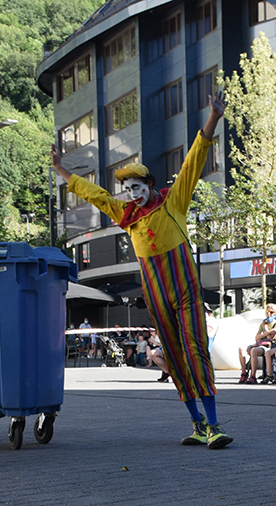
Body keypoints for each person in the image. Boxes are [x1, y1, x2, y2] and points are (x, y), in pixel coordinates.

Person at [53, 92, 231, 448]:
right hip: (156, 294)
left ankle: (214, 424)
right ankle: (197, 425)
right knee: (175, 355)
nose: (132, 193)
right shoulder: (127, 216)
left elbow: (196, 158)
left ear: (150, 185)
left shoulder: (174, 200)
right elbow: (95, 195)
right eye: (128, 189)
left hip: (185, 290)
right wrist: (61, 171)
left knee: (196, 350)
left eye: (137, 187)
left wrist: (213, 117)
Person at [239, 303, 276, 383]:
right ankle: (244, 373)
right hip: (260, 343)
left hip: (271, 345)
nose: (269, 314)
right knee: (242, 349)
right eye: (267, 312)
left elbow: (273, 336)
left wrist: (265, 332)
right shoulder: (263, 323)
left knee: (254, 351)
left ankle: (253, 375)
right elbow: (257, 337)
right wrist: (266, 333)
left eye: (271, 312)